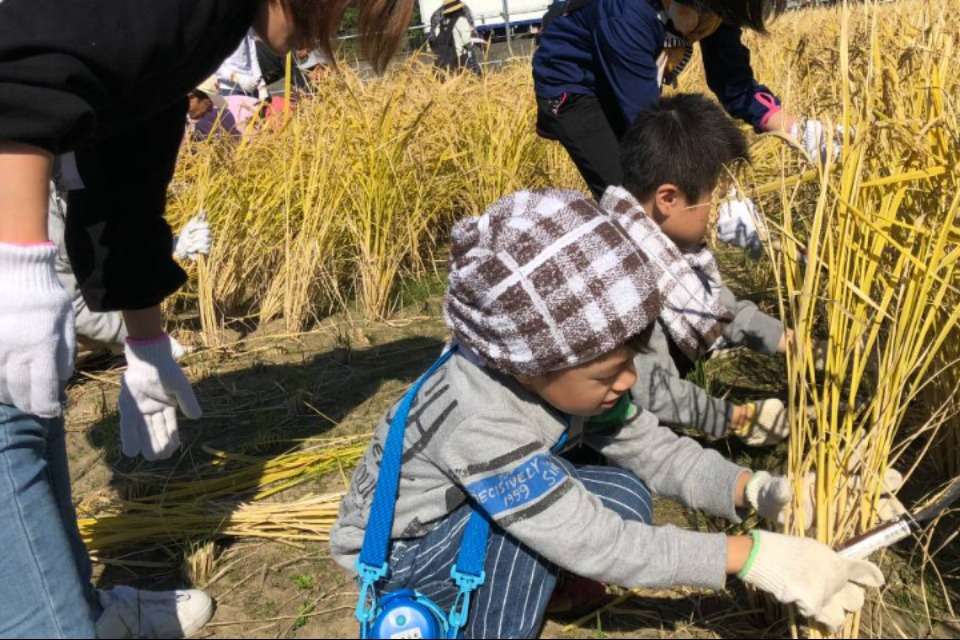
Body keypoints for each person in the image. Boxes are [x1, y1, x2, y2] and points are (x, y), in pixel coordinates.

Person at [0, 0, 414, 636]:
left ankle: (79, 608)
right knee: (8, 430)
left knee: (29, 415)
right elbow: (21, 79)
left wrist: (145, 341)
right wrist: (18, 266)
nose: (313, 42)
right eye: (338, 14)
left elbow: (124, 169)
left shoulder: (204, 25)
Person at [330, 188, 884, 638]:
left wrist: (757, 490)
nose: (628, 382)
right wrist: (751, 555)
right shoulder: (481, 421)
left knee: (625, 491)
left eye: (630, 363)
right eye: (608, 374)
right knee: (531, 542)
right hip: (408, 552)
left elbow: (655, 451)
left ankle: (540, 589)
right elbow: (598, 543)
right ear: (532, 367)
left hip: (467, 507)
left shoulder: (554, 376)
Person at [533, 0, 834, 200]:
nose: (708, 26)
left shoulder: (715, 9)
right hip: (572, 86)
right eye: (706, 15)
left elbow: (734, 83)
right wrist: (717, 196)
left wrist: (797, 130)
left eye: (719, 18)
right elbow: (648, 126)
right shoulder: (626, 15)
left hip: (629, 76)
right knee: (631, 197)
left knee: (669, 192)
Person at [48, 154, 210, 359]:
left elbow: (117, 242)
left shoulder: (109, 171)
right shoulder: (44, 205)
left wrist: (170, 248)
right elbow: (70, 306)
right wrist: (145, 338)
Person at [427, 0, 486, 75]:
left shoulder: (436, 15)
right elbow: (468, 40)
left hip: (442, 61)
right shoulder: (464, 12)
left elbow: (432, 39)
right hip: (461, 59)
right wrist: (481, 44)